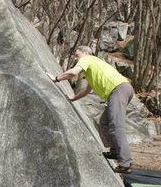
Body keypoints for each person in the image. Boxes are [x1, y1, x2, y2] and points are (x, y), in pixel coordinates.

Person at [47, 45, 134, 173]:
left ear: (84, 53)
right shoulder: (93, 67)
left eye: (77, 55)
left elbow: (73, 72)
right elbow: (87, 90)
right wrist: (73, 98)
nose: (76, 59)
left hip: (118, 90)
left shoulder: (87, 59)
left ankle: (126, 163)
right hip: (120, 90)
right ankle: (115, 151)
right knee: (104, 122)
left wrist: (56, 79)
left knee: (116, 126)